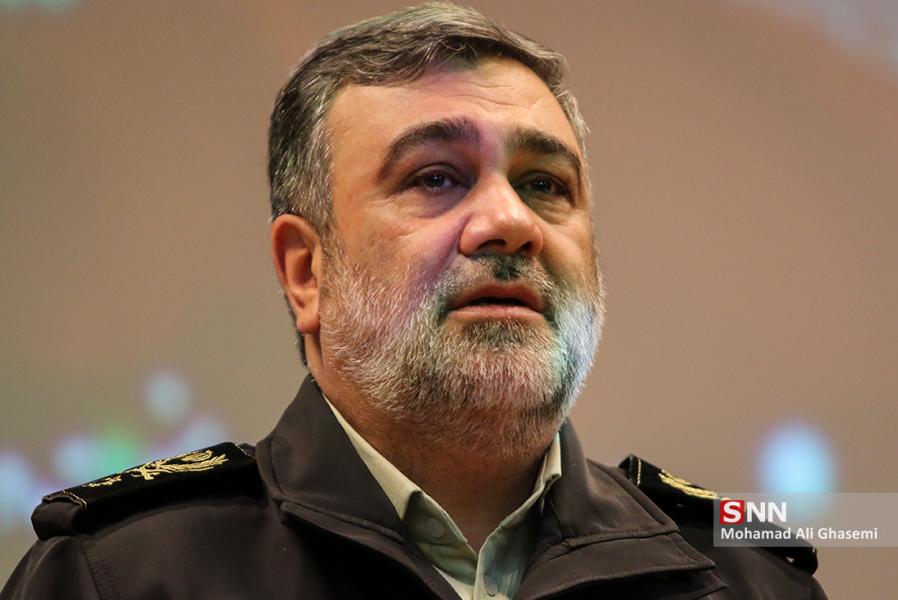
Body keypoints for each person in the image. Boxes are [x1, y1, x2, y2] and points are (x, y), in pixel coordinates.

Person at [2, 2, 827, 598]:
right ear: (305, 272)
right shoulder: (116, 576)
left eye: (545, 184)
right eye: (435, 177)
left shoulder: (747, 576)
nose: (510, 222)